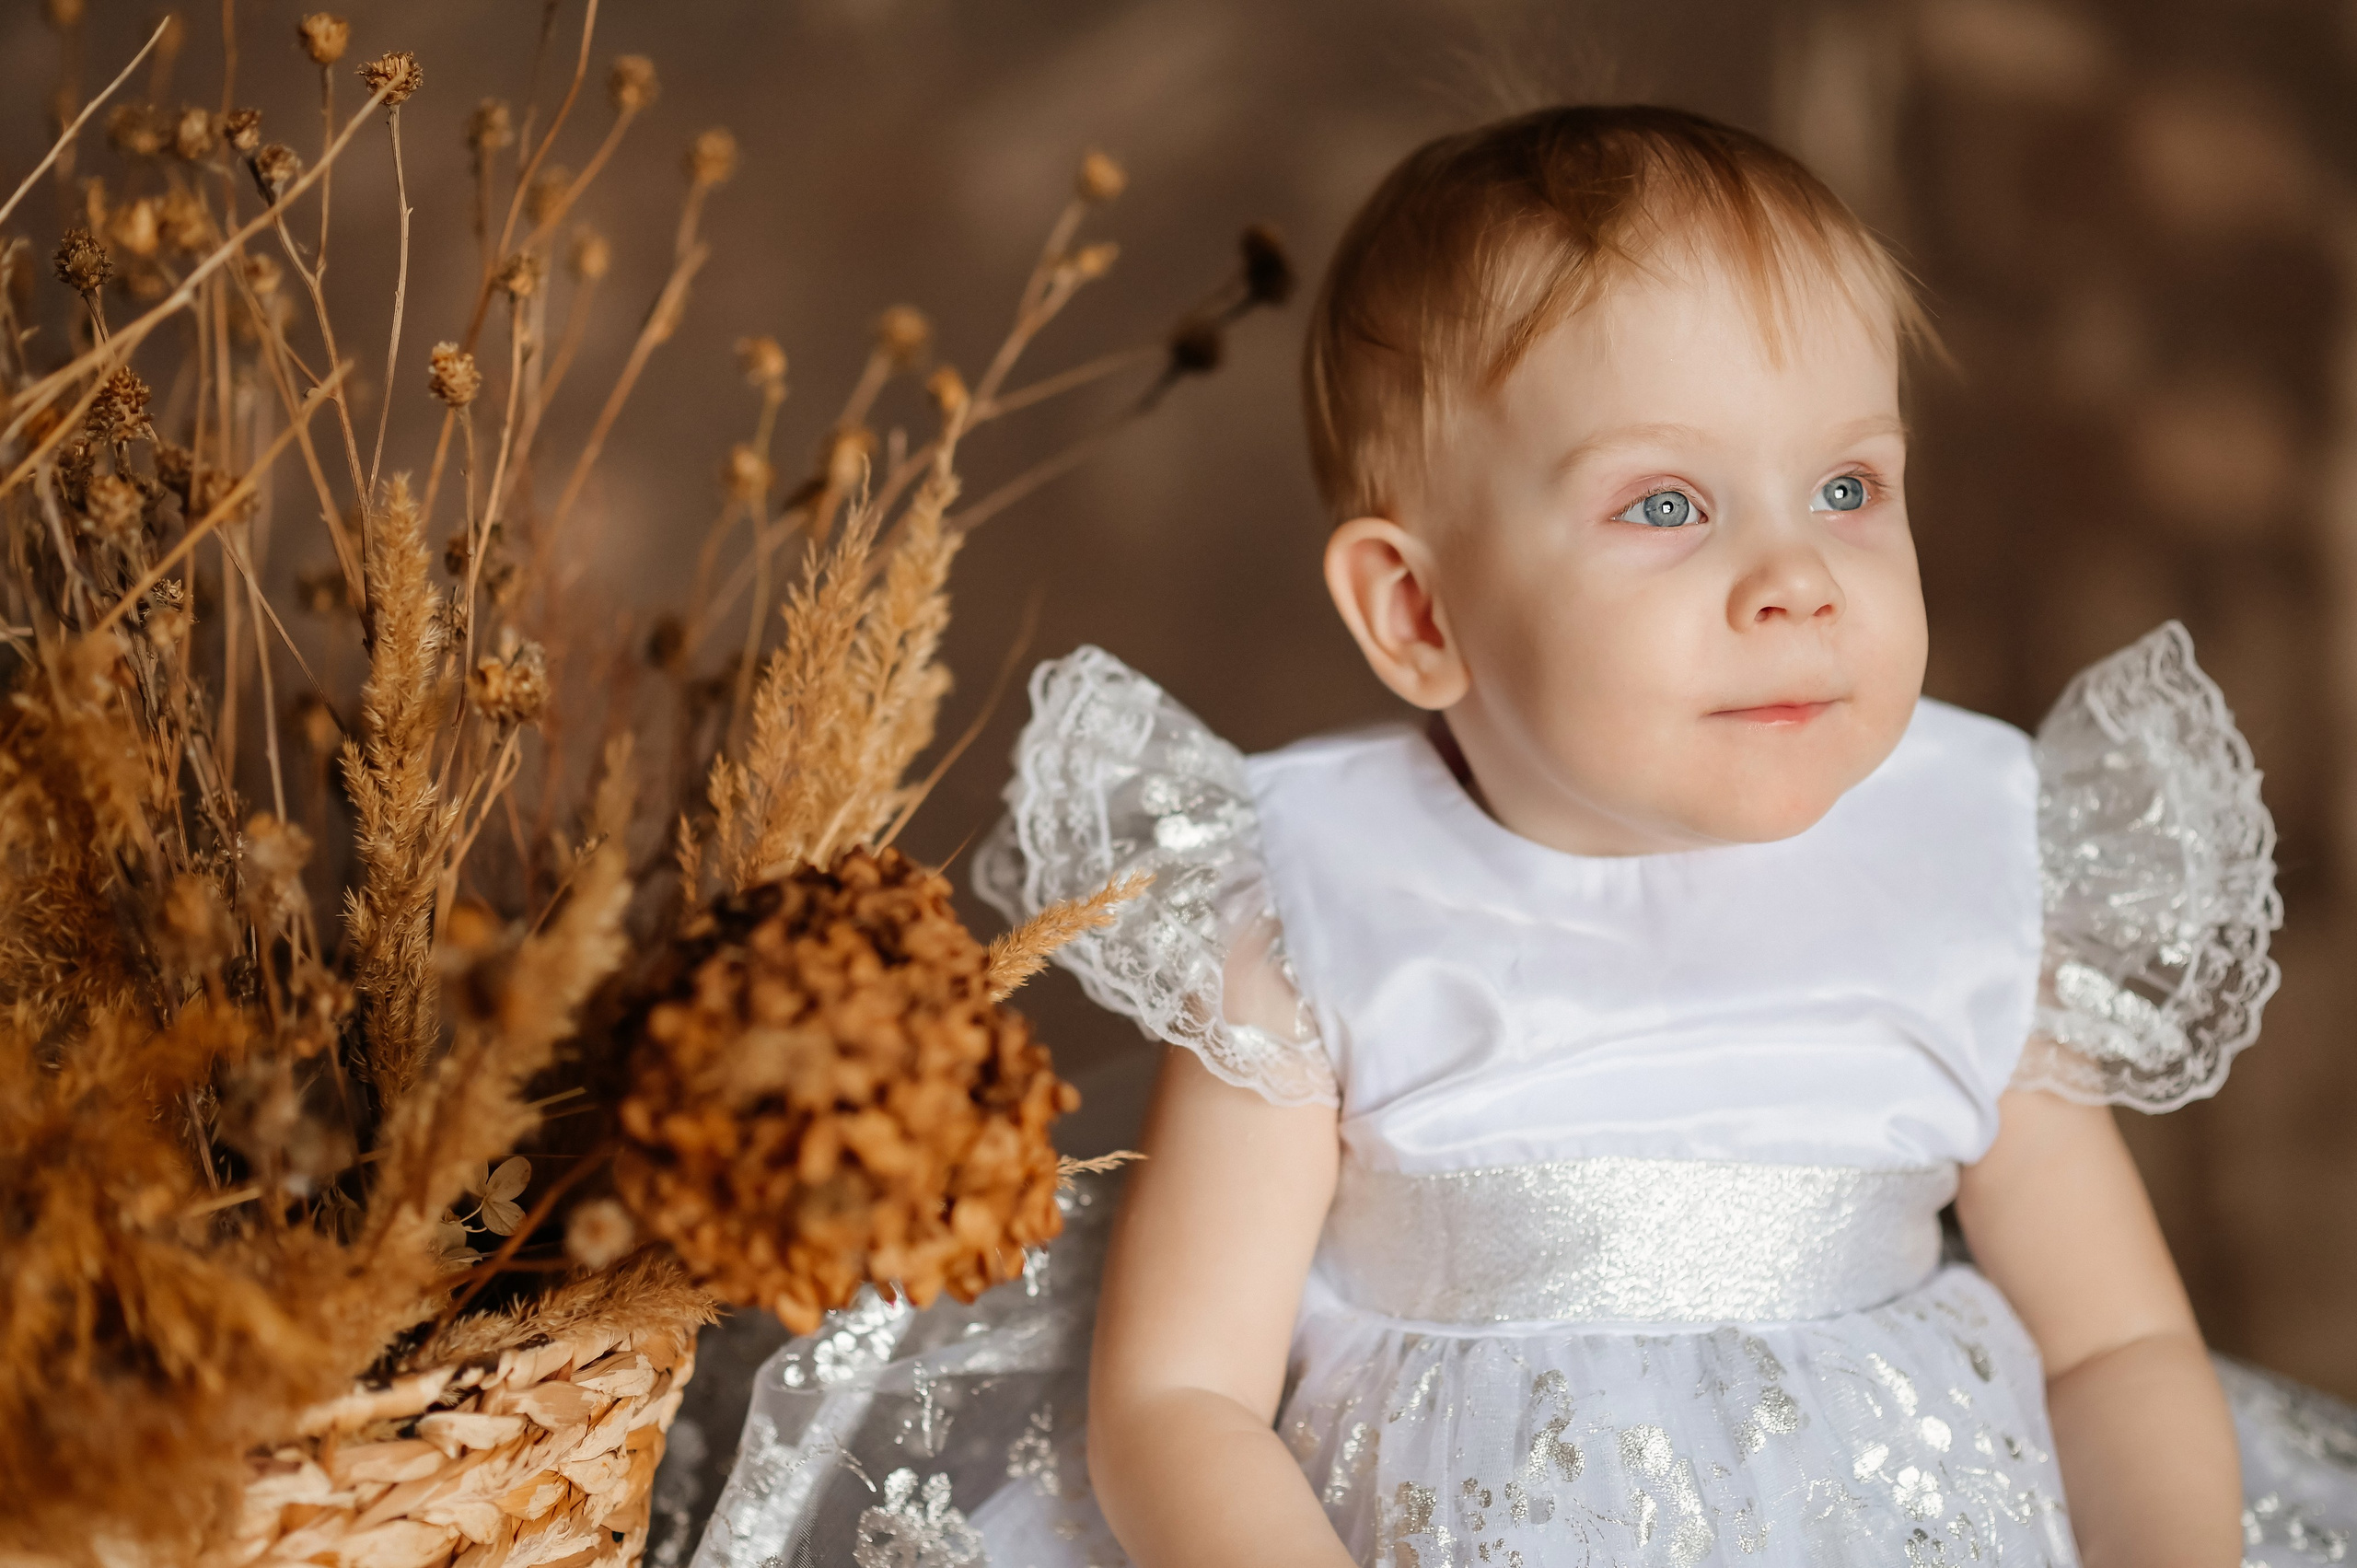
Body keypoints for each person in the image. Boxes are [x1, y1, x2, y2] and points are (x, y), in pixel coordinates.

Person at [691, 105, 2357, 1568]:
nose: (1800, 576)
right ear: (1416, 610)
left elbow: (2118, 1346)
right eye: (1667, 506)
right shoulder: (1313, 908)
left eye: (1849, 487)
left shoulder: (1968, 857)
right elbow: (1181, 1396)